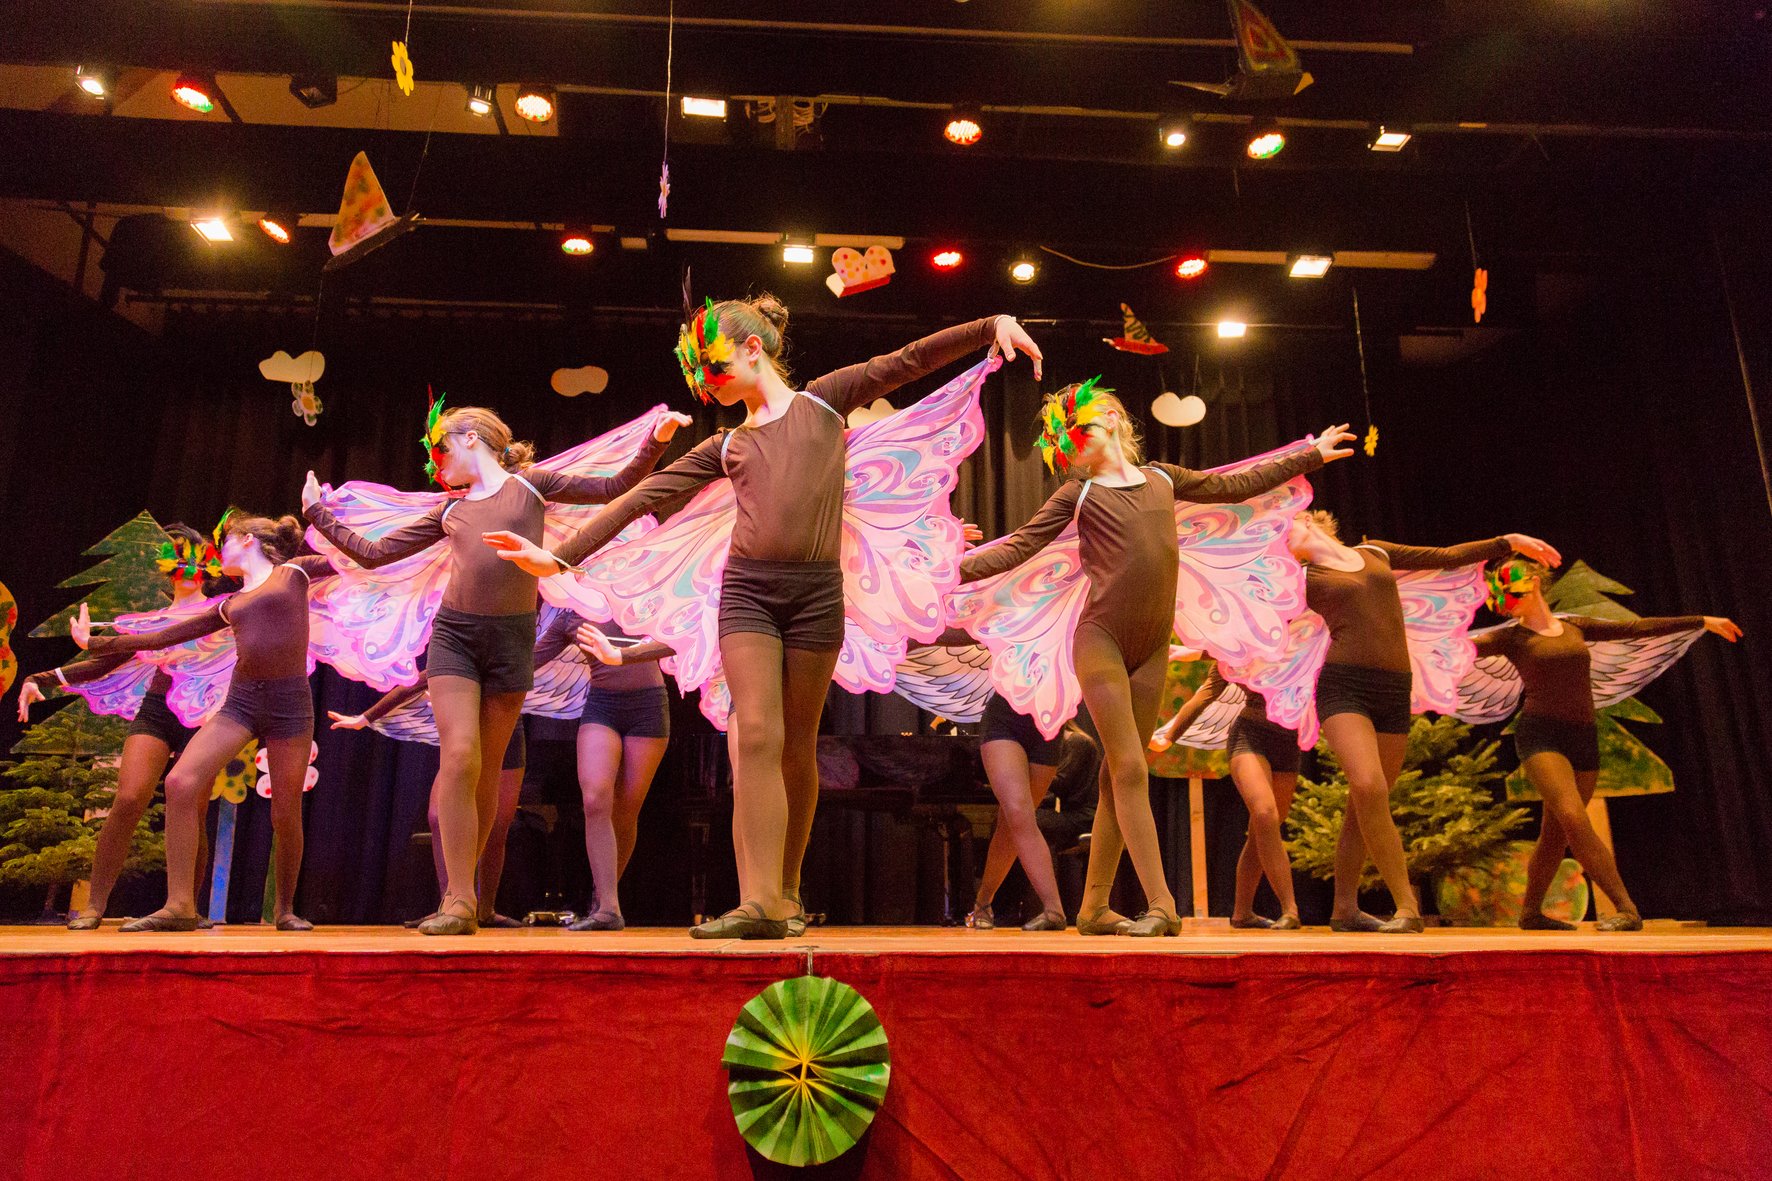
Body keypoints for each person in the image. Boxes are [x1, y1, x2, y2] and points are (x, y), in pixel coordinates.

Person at [487, 298, 1040, 939]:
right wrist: (560, 557)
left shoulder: (824, 403)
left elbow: (906, 361)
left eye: (715, 367)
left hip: (817, 598)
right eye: (699, 375)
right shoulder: (726, 445)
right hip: (748, 596)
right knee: (756, 736)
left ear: (754, 350)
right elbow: (644, 495)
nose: (707, 384)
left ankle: (786, 892)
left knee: (797, 746)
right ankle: (757, 902)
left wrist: (988, 325)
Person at [956, 380, 1345, 936]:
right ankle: (1163, 904)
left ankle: (1093, 908)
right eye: (1064, 440)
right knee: (1132, 768)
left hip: (1151, 648)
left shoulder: (1163, 477)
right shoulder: (1077, 495)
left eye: (1081, 429)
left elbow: (1235, 485)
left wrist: (1310, 455)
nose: (1073, 443)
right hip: (1101, 641)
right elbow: (1018, 547)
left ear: (1112, 420)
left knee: (1118, 778)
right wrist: (946, 569)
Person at [302, 404, 686, 934]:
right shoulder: (449, 511)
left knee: (484, 767)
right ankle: (459, 900)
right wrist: (317, 513)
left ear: (469, 438)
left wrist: (656, 442)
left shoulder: (532, 486)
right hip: (455, 639)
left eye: (440, 449)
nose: (436, 462)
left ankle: (468, 899)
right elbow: (374, 554)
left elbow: (614, 487)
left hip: (511, 643)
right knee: (461, 754)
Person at [1282, 511, 1558, 933]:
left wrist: (1507, 541)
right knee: (1369, 787)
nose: (1280, 539)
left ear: (1306, 521)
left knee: (1364, 805)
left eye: (1283, 528)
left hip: (1394, 690)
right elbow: (1252, 617)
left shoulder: (1375, 552)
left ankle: (1344, 909)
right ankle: (1407, 907)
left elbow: (1444, 557)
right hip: (1343, 689)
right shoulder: (1302, 579)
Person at [73, 513, 333, 932]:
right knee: (180, 782)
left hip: (289, 708)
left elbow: (353, 559)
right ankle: (179, 905)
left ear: (247, 540)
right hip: (242, 704)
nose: (218, 551)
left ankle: (285, 909)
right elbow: (163, 637)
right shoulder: (228, 605)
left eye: (225, 541)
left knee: (285, 812)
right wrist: (96, 643)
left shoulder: (294, 572)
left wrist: (321, 512)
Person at [1470, 556, 1740, 931]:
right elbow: (1457, 648)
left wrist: (1702, 621)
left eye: (1511, 593)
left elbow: (1635, 628)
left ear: (1534, 583)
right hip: (1540, 737)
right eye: (1500, 598)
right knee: (1573, 817)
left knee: (1555, 835)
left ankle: (1530, 913)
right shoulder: (1510, 638)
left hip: (1583, 737)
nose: (1506, 603)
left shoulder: (1575, 627)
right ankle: (1627, 909)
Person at [16, 526, 235, 929]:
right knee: (130, 797)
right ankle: (94, 906)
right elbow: (103, 663)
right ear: (167, 569)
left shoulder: (222, 611)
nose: (188, 570)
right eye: (179, 561)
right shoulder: (152, 621)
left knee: (194, 806)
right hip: (158, 708)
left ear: (209, 569)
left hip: (205, 714)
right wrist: (40, 679)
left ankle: (188, 908)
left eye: (196, 562)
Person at [1151, 665, 1302, 929]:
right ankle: (1290, 909)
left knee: (1262, 830)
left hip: (1289, 741)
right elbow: (1205, 695)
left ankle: (1242, 913)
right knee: (1264, 813)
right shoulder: (1236, 649)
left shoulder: (1302, 643)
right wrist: (1168, 738)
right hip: (1250, 736)